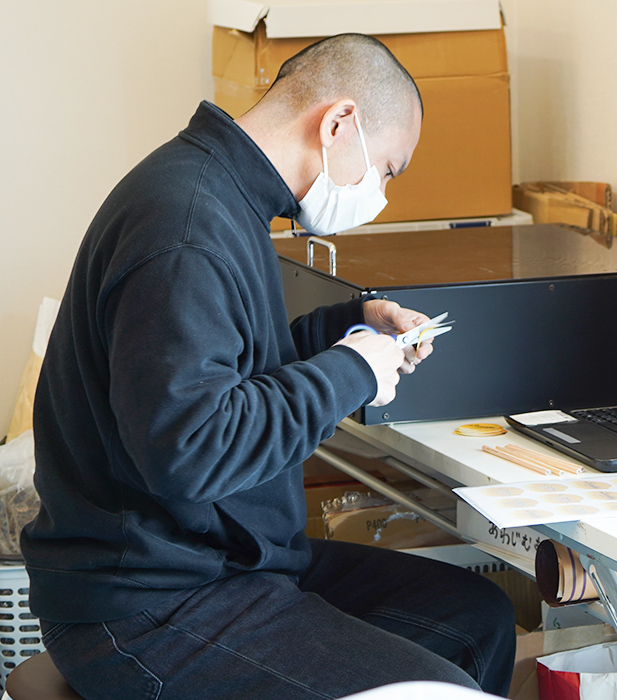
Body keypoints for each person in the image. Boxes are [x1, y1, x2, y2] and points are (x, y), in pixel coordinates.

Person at [21, 33, 515, 699]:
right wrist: (351, 371)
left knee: (475, 617)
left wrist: (347, 329)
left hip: (220, 563)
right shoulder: (186, 226)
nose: (380, 194)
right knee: (440, 692)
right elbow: (191, 449)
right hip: (148, 604)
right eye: (387, 170)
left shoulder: (220, 192)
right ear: (339, 123)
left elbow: (226, 366)